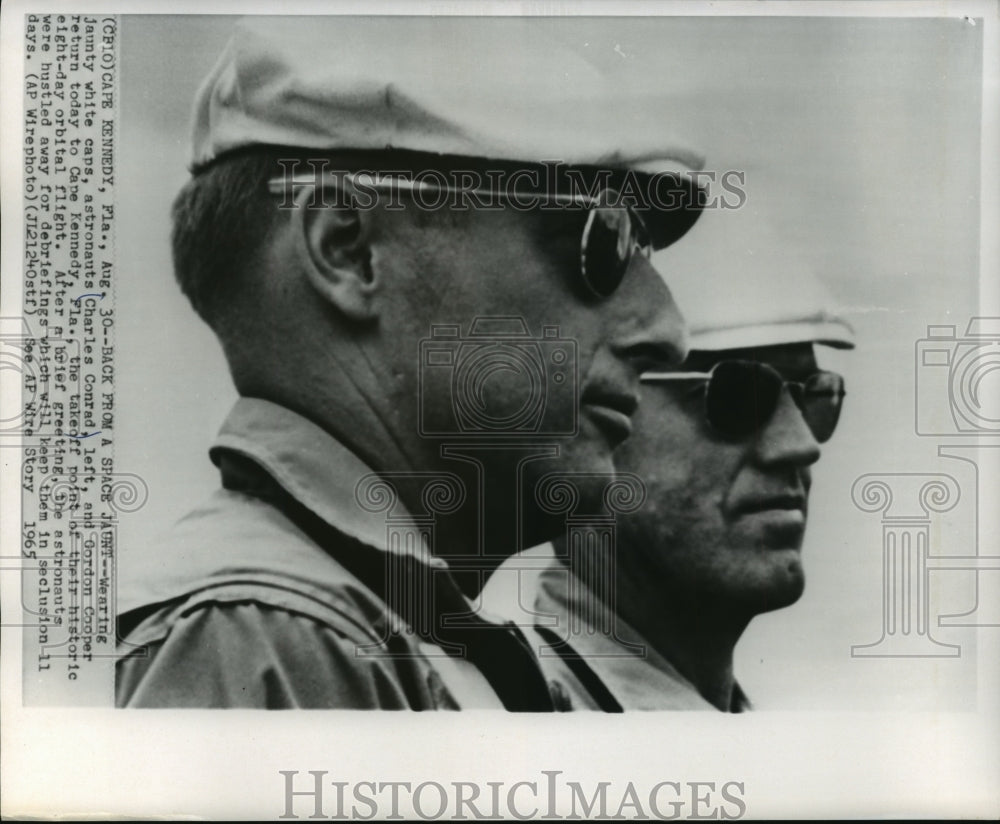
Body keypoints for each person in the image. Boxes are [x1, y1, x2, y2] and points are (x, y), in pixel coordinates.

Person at [114, 17, 707, 709]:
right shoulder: (267, 638)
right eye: (601, 239)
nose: (668, 331)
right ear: (349, 250)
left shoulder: (364, 632)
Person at [482, 206, 855, 710]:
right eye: (738, 394)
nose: (801, 444)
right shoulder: (516, 724)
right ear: (597, 409)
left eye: (814, 395)